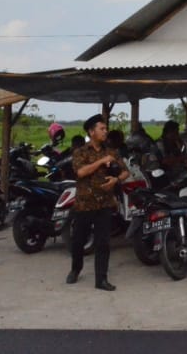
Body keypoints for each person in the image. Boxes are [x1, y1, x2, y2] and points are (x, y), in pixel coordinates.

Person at [67, 115, 128, 291]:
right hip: (84, 204)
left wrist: (116, 179)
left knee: (103, 243)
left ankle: (101, 279)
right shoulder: (81, 152)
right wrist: (101, 161)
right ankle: (75, 269)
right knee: (78, 241)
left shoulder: (111, 152)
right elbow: (81, 172)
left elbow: (126, 172)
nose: (105, 131)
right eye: (102, 129)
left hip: (105, 204)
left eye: (105, 128)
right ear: (91, 132)